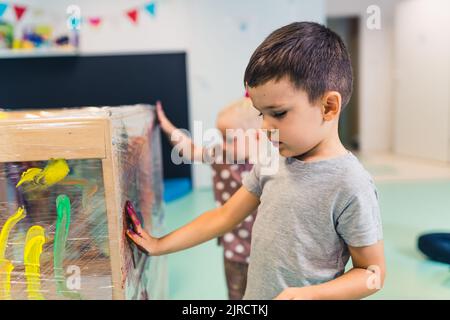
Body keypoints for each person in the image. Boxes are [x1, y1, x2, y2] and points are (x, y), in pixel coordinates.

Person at [127, 21, 385, 300]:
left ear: (328, 106)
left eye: (279, 113)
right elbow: (224, 216)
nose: (264, 128)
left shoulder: (351, 184)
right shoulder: (270, 160)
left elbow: (372, 274)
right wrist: (157, 244)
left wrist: (310, 295)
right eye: (262, 114)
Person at [155, 96, 261, 300]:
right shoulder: (221, 156)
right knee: (237, 294)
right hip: (235, 249)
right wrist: (167, 126)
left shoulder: (271, 164)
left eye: (230, 139)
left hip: (267, 252)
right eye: (221, 138)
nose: (223, 145)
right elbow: (189, 149)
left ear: (257, 137)